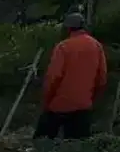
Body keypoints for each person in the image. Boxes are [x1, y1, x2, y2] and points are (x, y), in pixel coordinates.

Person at [33, 12, 108, 140]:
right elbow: (101, 79)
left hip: (59, 105)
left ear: (67, 28)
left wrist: (46, 102)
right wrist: (91, 100)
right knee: (78, 148)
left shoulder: (63, 47)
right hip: (83, 106)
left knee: (42, 143)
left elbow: (53, 78)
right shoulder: (96, 46)